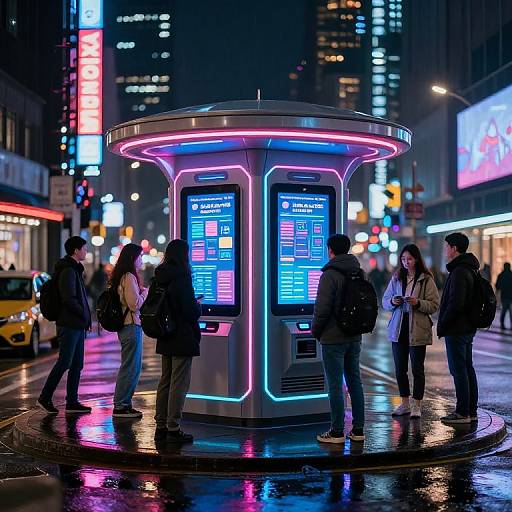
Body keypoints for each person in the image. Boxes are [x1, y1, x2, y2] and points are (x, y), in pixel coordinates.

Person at [312, 234, 365, 444]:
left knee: (335, 385)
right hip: (354, 336)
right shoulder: (359, 271)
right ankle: (358, 430)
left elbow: (322, 309)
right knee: (355, 381)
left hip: (333, 337)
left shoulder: (330, 275)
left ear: (330, 250)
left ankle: (336, 432)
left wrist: (316, 331)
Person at [382, 244, 440, 418]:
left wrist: (418, 303)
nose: (406, 262)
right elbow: (384, 301)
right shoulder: (397, 277)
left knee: (417, 369)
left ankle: (417, 405)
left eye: (409, 259)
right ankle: (405, 403)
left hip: (418, 328)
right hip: (399, 327)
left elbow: (434, 305)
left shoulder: (426, 279)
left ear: (416, 259)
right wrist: (393, 301)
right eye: (403, 259)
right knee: (400, 369)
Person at [153, 239, 201, 443]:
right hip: (181, 335)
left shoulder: (159, 276)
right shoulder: (182, 278)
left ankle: (161, 424)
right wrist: (198, 305)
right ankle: (173, 427)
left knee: (165, 380)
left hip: (165, 333)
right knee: (179, 383)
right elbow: (189, 311)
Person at [37, 236, 92, 414]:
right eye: (84, 248)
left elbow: (79, 298)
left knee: (77, 364)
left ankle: (72, 402)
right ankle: (44, 397)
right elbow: (69, 299)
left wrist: (86, 319)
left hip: (76, 323)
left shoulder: (74, 269)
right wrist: (84, 315)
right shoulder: (68, 271)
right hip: (69, 324)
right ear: (76, 250)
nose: (86, 251)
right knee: (65, 362)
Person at [437, 232, 480, 424]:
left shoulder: (460, 271)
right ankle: (470, 410)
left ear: (454, 248)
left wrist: (444, 322)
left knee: (459, 369)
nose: (445, 249)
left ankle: (463, 412)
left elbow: (456, 303)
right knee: (466, 367)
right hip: (467, 327)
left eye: (447, 246)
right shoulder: (469, 268)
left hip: (457, 328)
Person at [110, 243, 147, 418]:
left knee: (131, 366)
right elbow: (134, 304)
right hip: (131, 326)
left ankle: (124, 404)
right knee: (131, 367)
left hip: (126, 326)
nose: (141, 260)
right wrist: (145, 293)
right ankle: (121, 405)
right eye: (139, 256)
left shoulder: (122, 276)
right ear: (133, 258)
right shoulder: (129, 277)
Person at [496, 263, 512, 330]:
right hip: (511, 296)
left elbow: (497, 286)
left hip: (504, 296)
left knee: (504, 311)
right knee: (511, 312)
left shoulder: (501, 275)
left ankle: (502, 325)